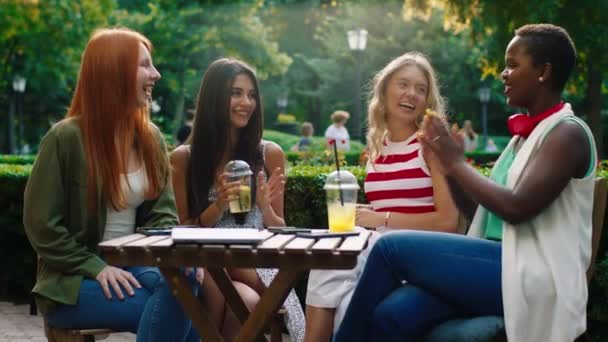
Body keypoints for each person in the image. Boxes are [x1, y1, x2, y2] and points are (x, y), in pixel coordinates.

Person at [335, 24, 595, 342]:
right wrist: (450, 167)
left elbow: (517, 208)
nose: (503, 74)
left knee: (389, 248)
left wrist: (457, 163)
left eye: (513, 65)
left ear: (543, 72)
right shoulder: (521, 141)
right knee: (392, 315)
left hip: (533, 276)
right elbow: (481, 213)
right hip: (496, 265)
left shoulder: (567, 133)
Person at [23, 28, 199, 341]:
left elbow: (163, 217)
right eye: (145, 65)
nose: (155, 74)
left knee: (184, 282)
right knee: (182, 312)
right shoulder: (65, 139)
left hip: (136, 264)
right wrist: (96, 267)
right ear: (113, 71)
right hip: (73, 280)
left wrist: (176, 259)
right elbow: (42, 226)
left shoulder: (151, 139)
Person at [304, 52, 459, 342]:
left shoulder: (430, 146)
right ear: (385, 89)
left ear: (427, 100)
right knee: (342, 301)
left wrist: (380, 217)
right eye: (403, 84)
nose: (411, 94)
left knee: (328, 259)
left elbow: (449, 222)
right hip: (379, 257)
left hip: (420, 258)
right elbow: (390, 207)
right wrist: (368, 213)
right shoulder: (377, 148)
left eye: (420, 89)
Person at [170, 58, 305, 341]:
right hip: (208, 269)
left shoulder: (270, 154)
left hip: (259, 268)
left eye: (252, 95)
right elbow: (182, 230)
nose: (247, 102)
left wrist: (265, 208)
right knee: (243, 302)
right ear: (214, 97)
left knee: (245, 300)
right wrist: (217, 205)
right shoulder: (183, 160)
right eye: (236, 93)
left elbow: (280, 229)